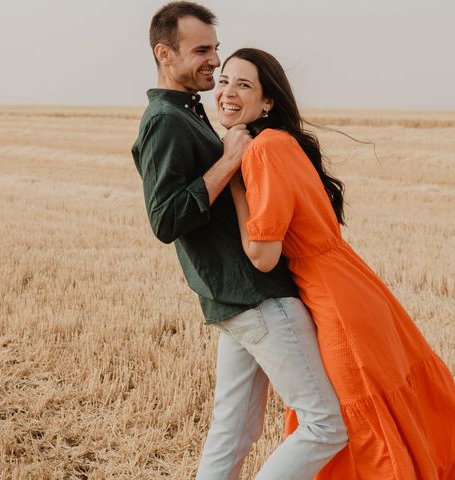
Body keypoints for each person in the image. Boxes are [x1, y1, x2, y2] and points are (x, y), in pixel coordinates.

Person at [217, 48, 455, 479]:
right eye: (224, 80)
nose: (227, 91)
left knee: (357, 429)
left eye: (243, 84)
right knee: (369, 420)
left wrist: (233, 181)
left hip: (335, 304)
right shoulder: (285, 143)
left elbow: (263, 256)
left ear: (268, 102)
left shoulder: (263, 151)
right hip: (355, 285)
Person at [131, 3, 347, 479]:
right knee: (324, 425)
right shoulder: (167, 120)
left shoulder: (189, 115)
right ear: (164, 54)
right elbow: (165, 219)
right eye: (201, 50)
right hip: (255, 298)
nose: (213, 61)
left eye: (216, 49)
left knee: (233, 432)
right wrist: (229, 161)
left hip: (234, 300)